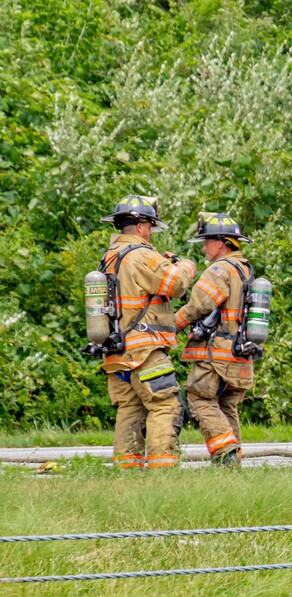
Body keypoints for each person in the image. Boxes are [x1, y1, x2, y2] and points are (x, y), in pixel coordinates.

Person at [94, 195, 195, 469]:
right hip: (145, 351)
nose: (150, 232)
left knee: (130, 410)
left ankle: (128, 475)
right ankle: (163, 473)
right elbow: (176, 284)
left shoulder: (109, 257)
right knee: (165, 405)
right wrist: (185, 265)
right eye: (150, 226)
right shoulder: (141, 255)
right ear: (139, 226)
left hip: (117, 352)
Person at [171, 213, 257, 467]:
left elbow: (199, 304)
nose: (204, 246)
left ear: (221, 243)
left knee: (200, 400)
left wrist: (171, 326)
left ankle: (225, 455)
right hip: (240, 356)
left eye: (206, 241)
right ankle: (233, 466)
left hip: (217, 355)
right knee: (227, 407)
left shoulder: (220, 269)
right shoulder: (245, 269)